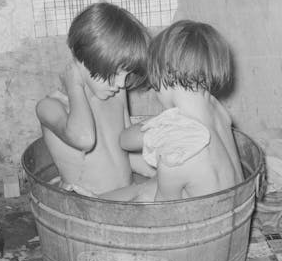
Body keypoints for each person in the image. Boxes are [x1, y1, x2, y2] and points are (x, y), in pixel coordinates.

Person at [101, 20, 243, 202]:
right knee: (150, 186)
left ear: (163, 74)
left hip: (198, 222)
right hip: (234, 205)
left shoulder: (178, 146)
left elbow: (125, 141)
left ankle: (90, 206)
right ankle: (97, 199)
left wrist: (156, 125)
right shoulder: (216, 108)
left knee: (144, 194)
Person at [36, 2, 153, 196]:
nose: (122, 84)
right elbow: (84, 139)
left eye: (126, 75)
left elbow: (125, 153)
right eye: (116, 73)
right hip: (87, 205)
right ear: (84, 61)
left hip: (125, 195)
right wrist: (74, 85)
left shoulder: (115, 95)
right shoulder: (49, 107)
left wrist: (158, 171)